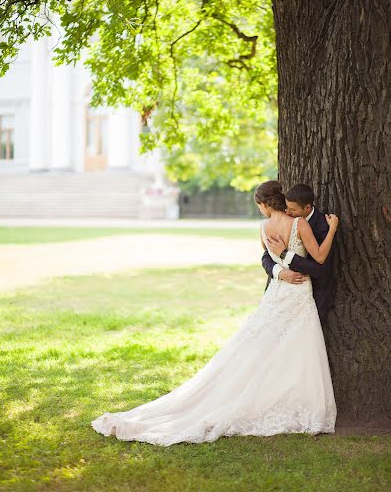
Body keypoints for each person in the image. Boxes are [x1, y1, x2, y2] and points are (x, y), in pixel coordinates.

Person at [91, 180, 338, 446]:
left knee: (267, 347)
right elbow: (307, 258)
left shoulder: (264, 228)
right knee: (295, 348)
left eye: (258, 206)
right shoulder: (298, 224)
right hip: (295, 292)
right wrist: (330, 229)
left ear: (265, 205)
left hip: (279, 294)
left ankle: (277, 396)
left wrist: (283, 263)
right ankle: (292, 400)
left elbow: (278, 257)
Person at [262, 183, 335, 327]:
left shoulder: (322, 226)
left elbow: (320, 269)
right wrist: (280, 272)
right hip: (280, 289)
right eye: (286, 207)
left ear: (307, 208)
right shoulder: (284, 220)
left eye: (292, 209)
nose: (287, 212)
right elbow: (266, 256)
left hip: (314, 292)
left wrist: (284, 254)